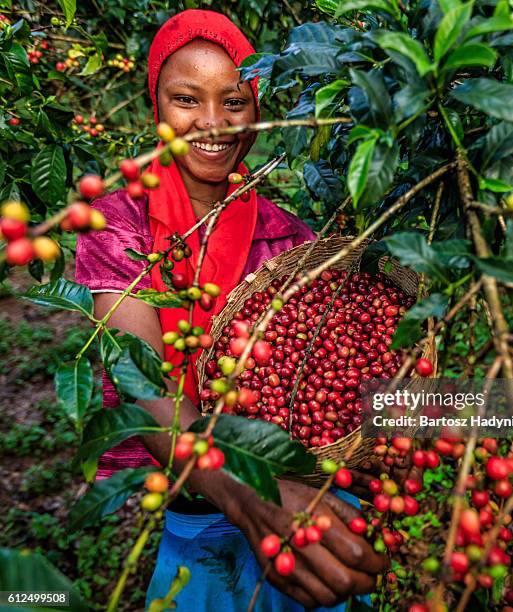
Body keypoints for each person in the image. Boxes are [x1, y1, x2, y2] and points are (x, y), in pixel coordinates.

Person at [75, 9, 385, 612]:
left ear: (258, 107)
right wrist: (246, 496)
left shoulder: (289, 240)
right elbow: (146, 382)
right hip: (204, 501)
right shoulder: (117, 223)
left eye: (236, 101)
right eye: (186, 99)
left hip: (303, 492)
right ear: (156, 108)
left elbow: (324, 377)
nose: (212, 123)